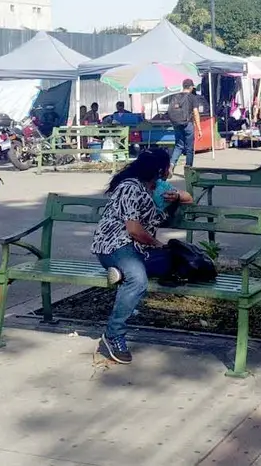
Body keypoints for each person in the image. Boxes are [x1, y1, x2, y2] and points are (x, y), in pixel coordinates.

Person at [91, 149, 191, 365]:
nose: (170, 170)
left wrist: (177, 196)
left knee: (176, 263)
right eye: (168, 166)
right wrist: (157, 243)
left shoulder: (156, 188)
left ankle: (120, 272)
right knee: (138, 280)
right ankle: (113, 334)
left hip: (138, 249)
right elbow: (134, 230)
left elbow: (188, 198)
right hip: (115, 244)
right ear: (160, 169)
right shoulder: (130, 187)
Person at [167, 79, 203, 173]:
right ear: (190, 87)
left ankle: (172, 164)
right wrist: (199, 129)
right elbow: (196, 113)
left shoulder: (175, 96)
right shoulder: (192, 97)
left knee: (179, 146)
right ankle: (188, 169)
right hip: (188, 125)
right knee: (189, 148)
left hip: (177, 124)